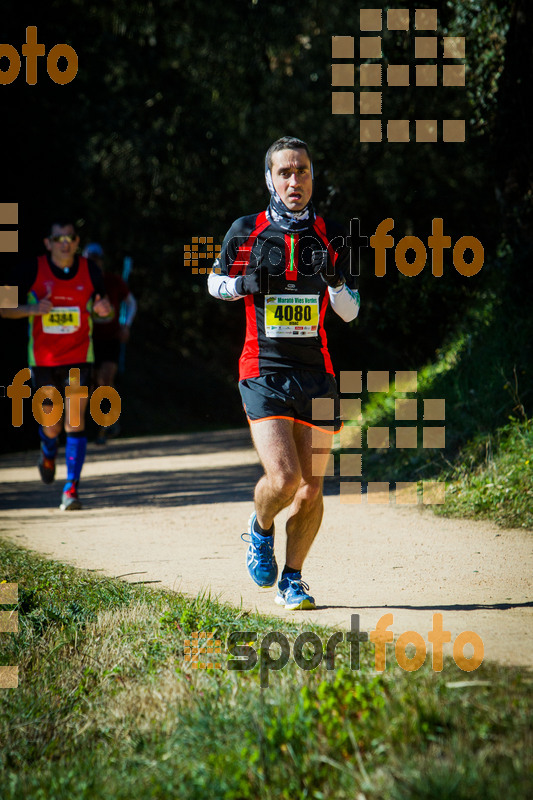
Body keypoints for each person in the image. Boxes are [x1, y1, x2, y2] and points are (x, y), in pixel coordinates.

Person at [208, 136, 360, 609]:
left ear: (314, 177)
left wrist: (334, 280)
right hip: (263, 370)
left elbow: (352, 312)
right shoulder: (245, 230)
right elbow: (213, 283)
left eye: (304, 171)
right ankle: (259, 528)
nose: (296, 181)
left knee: (312, 489)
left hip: (317, 373)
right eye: (285, 173)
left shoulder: (331, 235)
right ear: (270, 179)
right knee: (284, 479)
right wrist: (241, 284)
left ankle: (292, 579)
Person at [0, 221, 111, 510]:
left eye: (70, 238)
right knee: (52, 425)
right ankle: (47, 451)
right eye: (58, 238)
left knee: (76, 421)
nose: (65, 243)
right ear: (48, 243)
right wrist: (32, 309)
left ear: (77, 242)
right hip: (45, 360)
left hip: (78, 357)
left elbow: (104, 307)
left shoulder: (91, 270)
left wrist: (104, 310)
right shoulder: (29, 270)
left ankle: (71, 490)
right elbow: (4, 306)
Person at [82, 243, 137, 444]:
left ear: (102, 261)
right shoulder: (79, 283)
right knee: (91, 383)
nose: (93, 263)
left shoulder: (113, 281)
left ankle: (109, 422)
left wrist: (126, 326)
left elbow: (131, 303)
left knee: (105, 379)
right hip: (87, 342)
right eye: (89, 260)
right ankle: (92, 427)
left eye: (96, 259)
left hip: (111, 338)